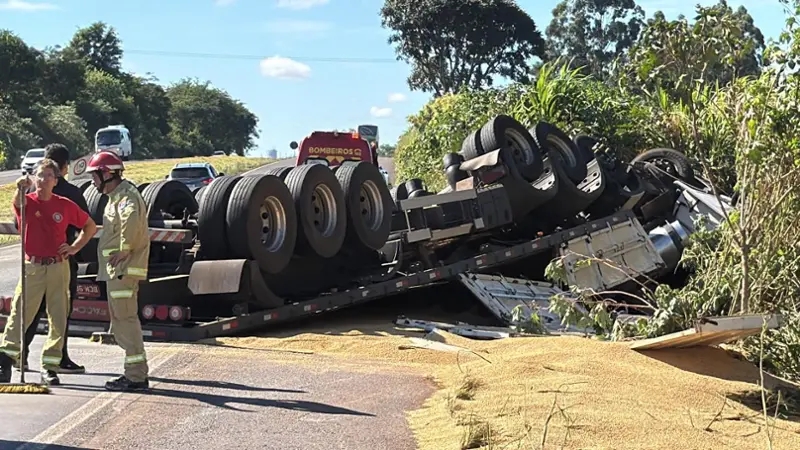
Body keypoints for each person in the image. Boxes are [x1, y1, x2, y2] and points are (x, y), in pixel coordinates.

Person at [0, 159, 97, 385]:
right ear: (34, 178)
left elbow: (89, 226)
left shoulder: (64, 204)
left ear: (56, 180)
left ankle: (50, 365)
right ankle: (5, 359)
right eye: (39, 176)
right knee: (20, 313)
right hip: (32, 266)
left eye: (48, 176)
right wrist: (20, 187)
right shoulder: (27, 201)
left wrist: (74, 248)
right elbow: (17, 205)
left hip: (57, 266)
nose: (43, 180)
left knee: (58, 314)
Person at [19, 144, 91, 375]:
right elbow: (87, 224)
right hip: (61, 259)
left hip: (36, 261)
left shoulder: (31, 194)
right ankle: (59, 357)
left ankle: (22, 354)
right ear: (65, 167)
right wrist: (74, 249)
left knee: (30, 311)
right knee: (59, 313)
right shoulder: (71, 193)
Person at [86, 150, 151, 392]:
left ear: (107, 174)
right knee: (122, 320)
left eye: (96, 175)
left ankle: (136, 376)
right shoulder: (117, 196)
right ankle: (134, 374)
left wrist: (125, 249)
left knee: (126, 320)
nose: (93, 181)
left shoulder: (125, 197)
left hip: (122, 270)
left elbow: (131, 221)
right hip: (117, 271)